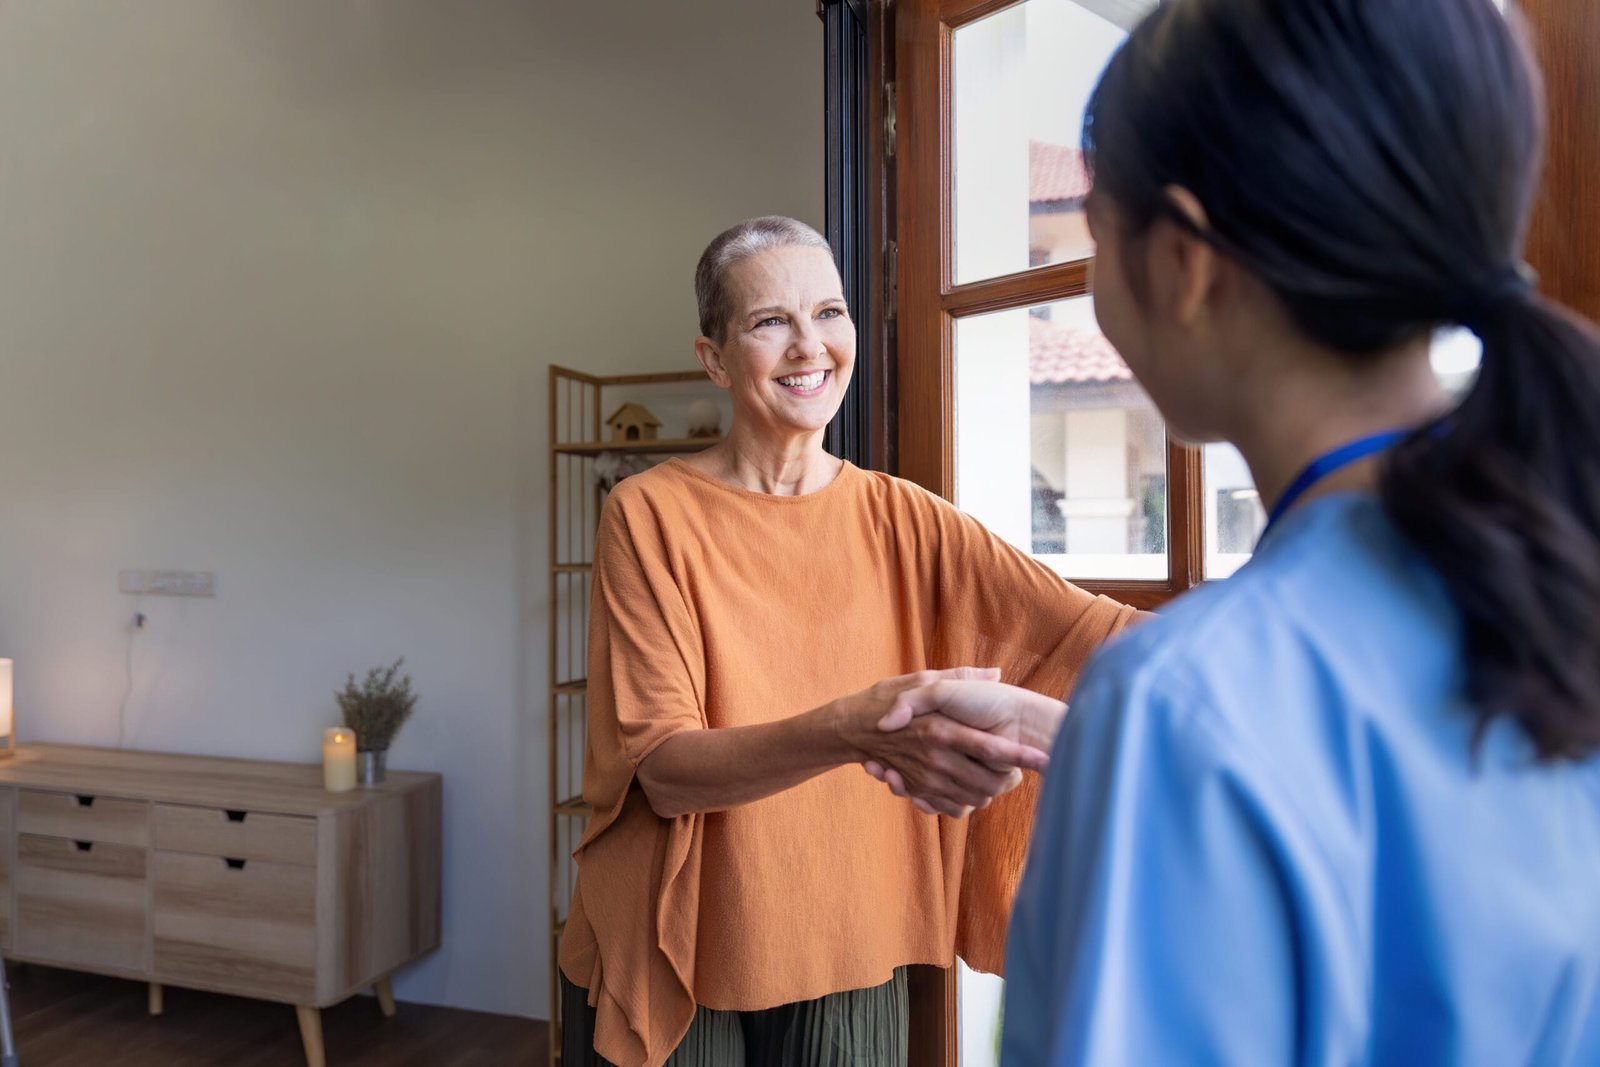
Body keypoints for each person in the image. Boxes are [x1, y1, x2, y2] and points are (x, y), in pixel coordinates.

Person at [876, 0, 1600, 1062]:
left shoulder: (1182, 705)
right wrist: (1075, 738)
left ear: (1181, 259)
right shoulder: (1552, 585)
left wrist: (1135, 745)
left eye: (1094, 233)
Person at [557, 216, 1139, 1067]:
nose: (811, 346)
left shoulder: (907, 518)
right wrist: (847, 726)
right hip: (670, 934)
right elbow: (665, 769)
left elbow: (1098, 634)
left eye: (829, 313)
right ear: (714, 358)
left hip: (850, 931)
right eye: (770, 322)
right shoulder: (648, 513)